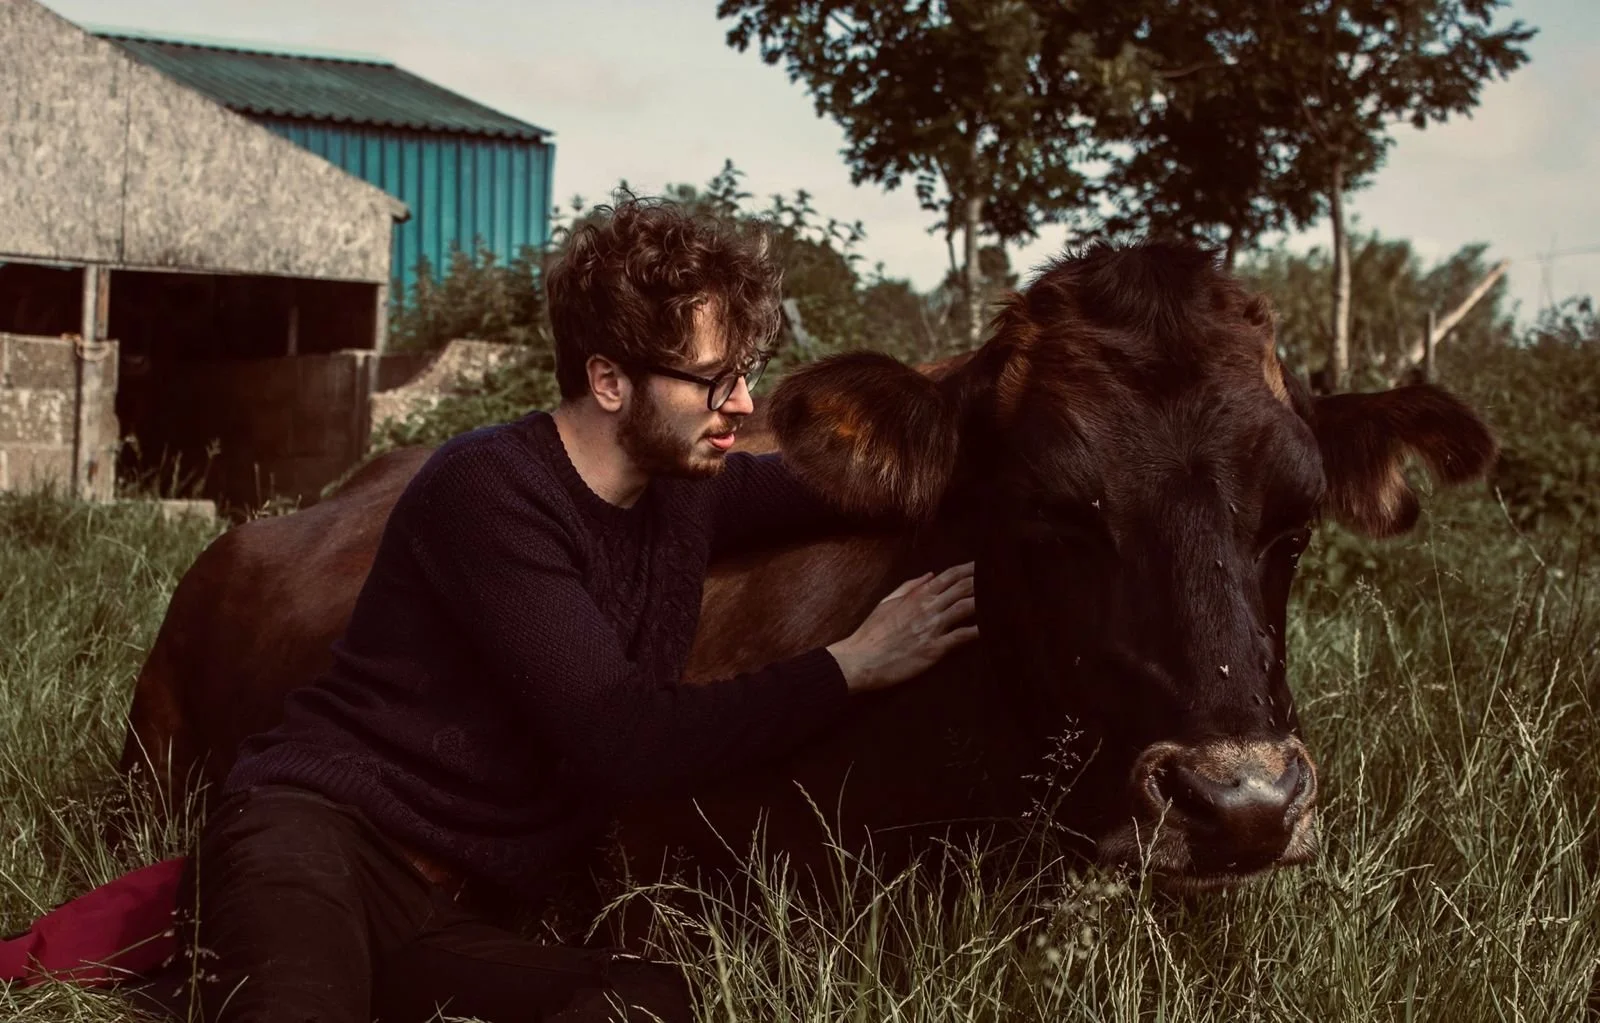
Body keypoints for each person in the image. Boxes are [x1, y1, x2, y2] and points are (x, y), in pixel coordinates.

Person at [143, 197, 978, 1023]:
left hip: (443, 910)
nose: (743, 404)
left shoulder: (683, 494)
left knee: (648, 1001)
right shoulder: (488, 490)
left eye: (746, 372)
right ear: (609, 380)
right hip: (314, 839)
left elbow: (829, 483)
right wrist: (849, 666)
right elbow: (626, 738)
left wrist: (989, 427)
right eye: (713, 379)